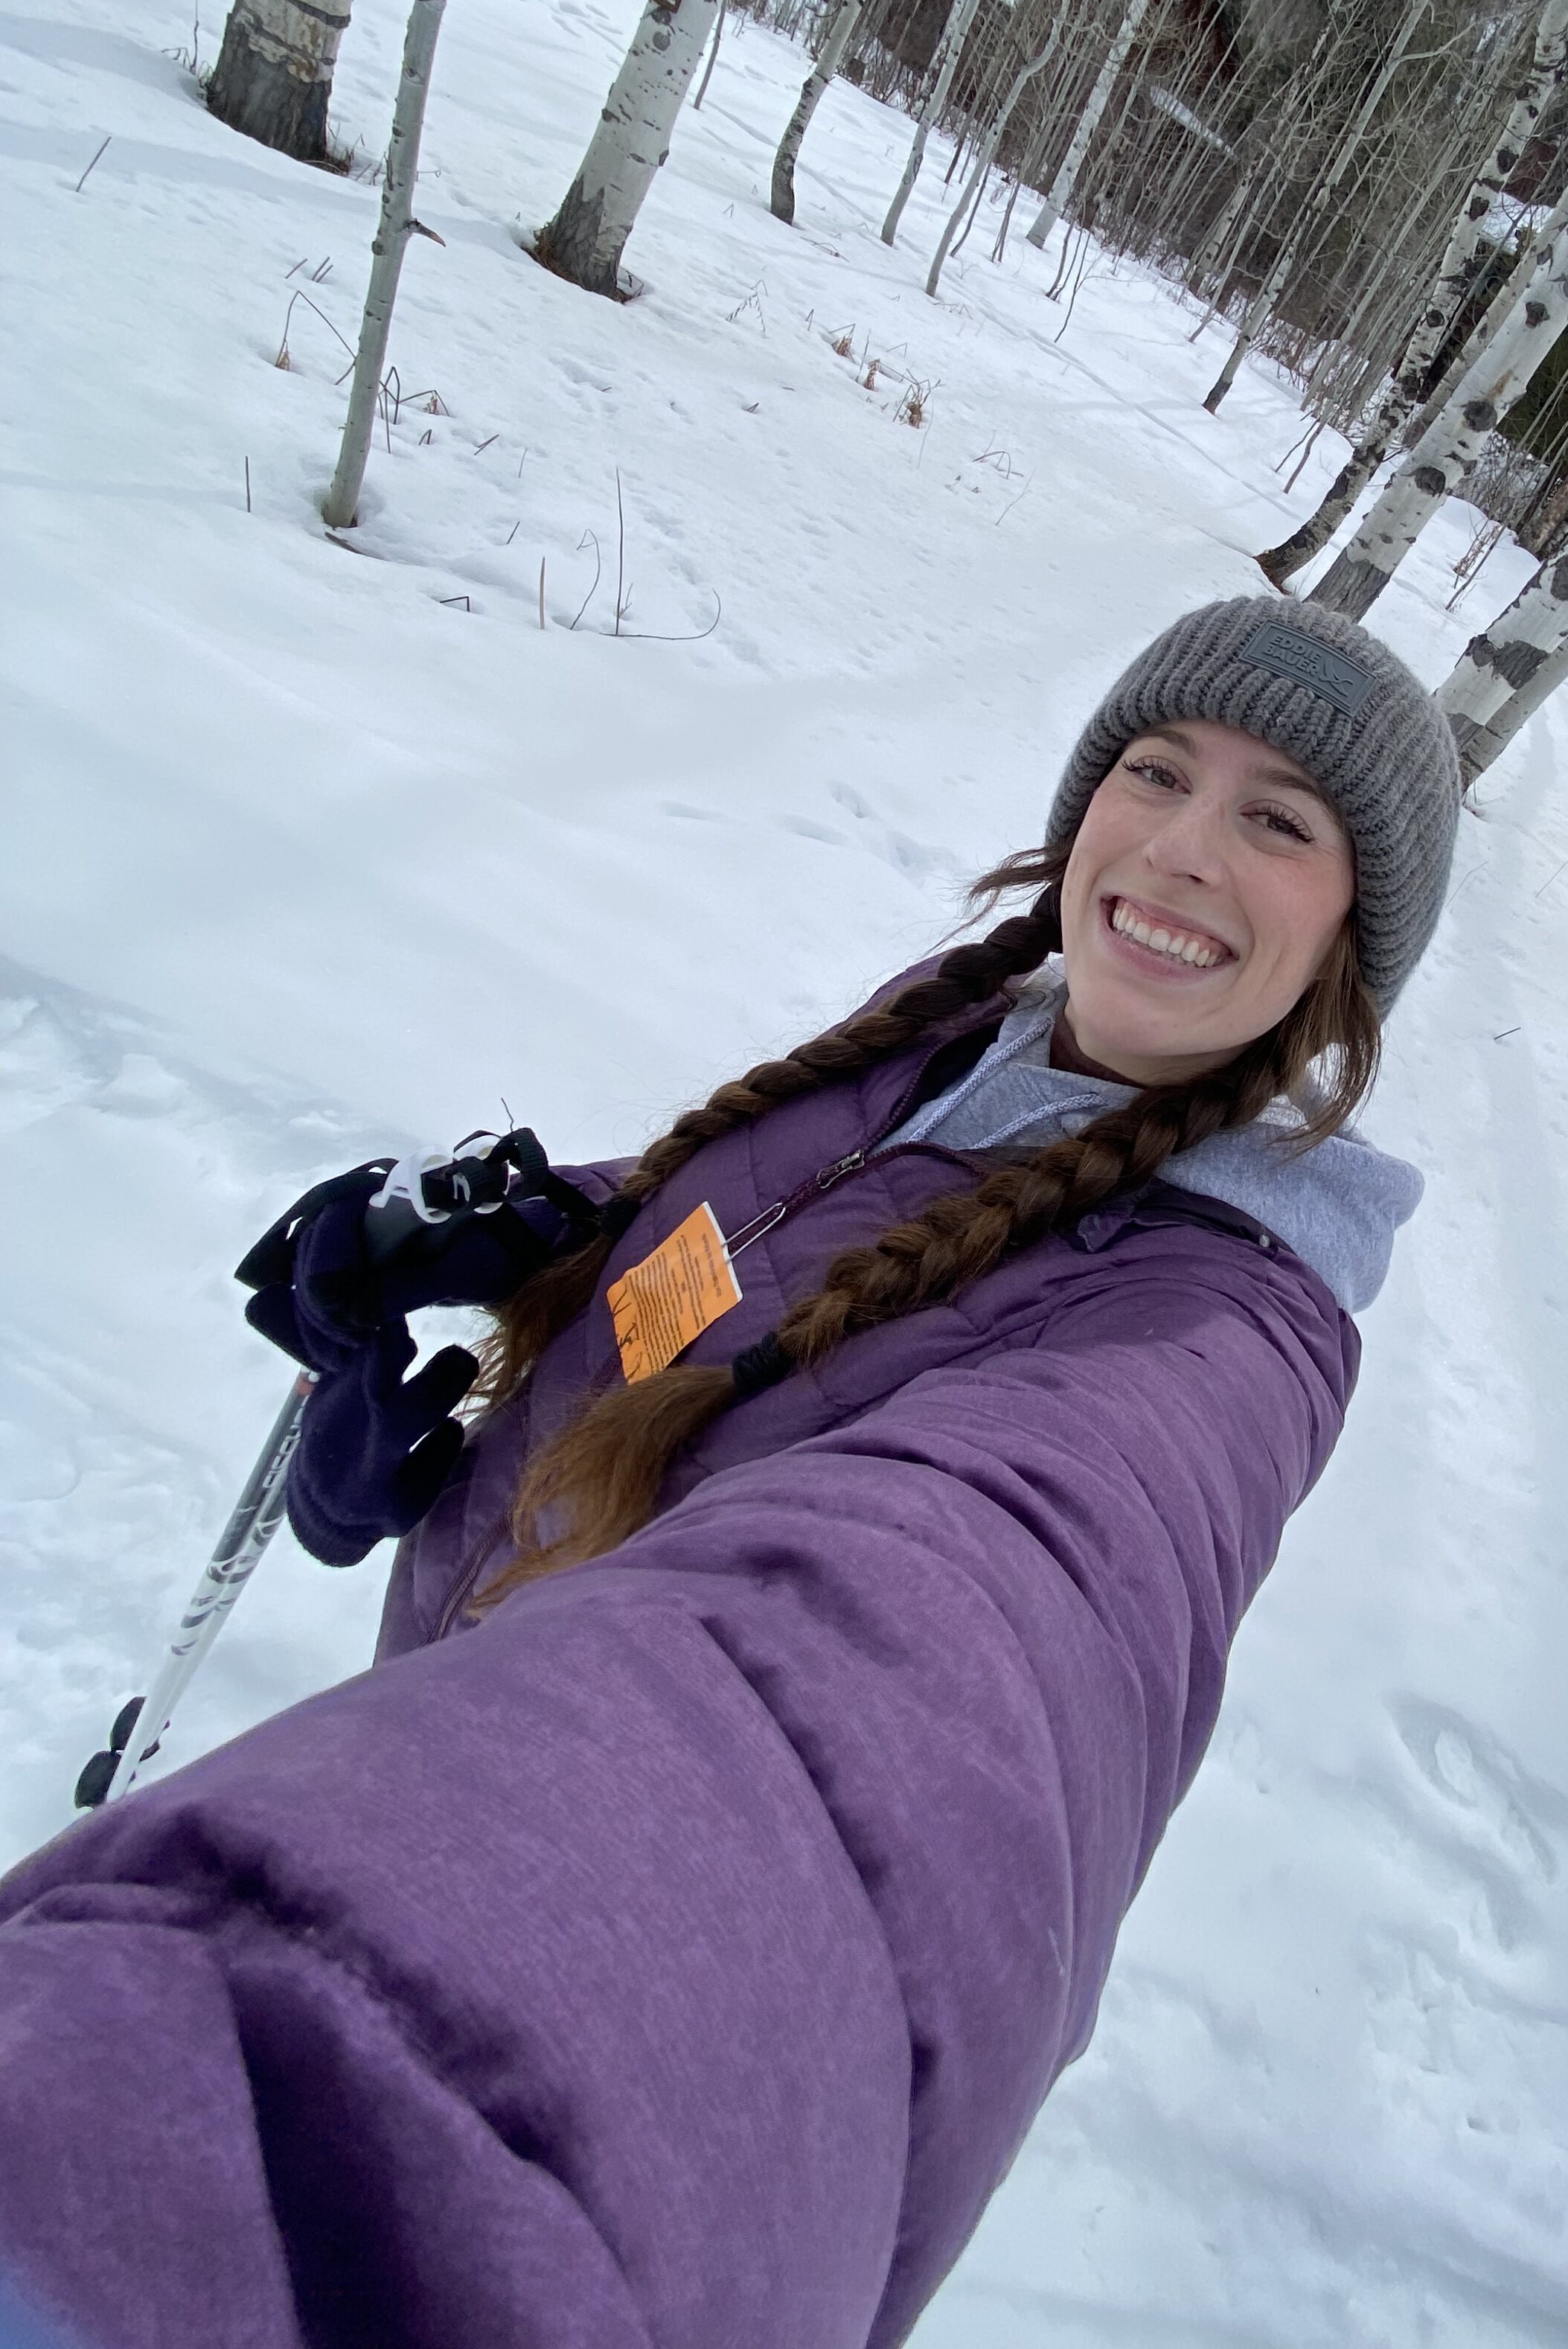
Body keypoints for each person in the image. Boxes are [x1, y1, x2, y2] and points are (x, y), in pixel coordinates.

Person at [0, 594, 1459, 2349]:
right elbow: (775, 1234)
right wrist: (532, 1241)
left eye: (1279, 821)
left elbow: (942, 1651)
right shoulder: (974, 1024)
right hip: (478, 1660)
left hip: (535, 1787)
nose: (1179, 847)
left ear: (1351, 937)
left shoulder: (1217, 1329)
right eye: (1157, 769)